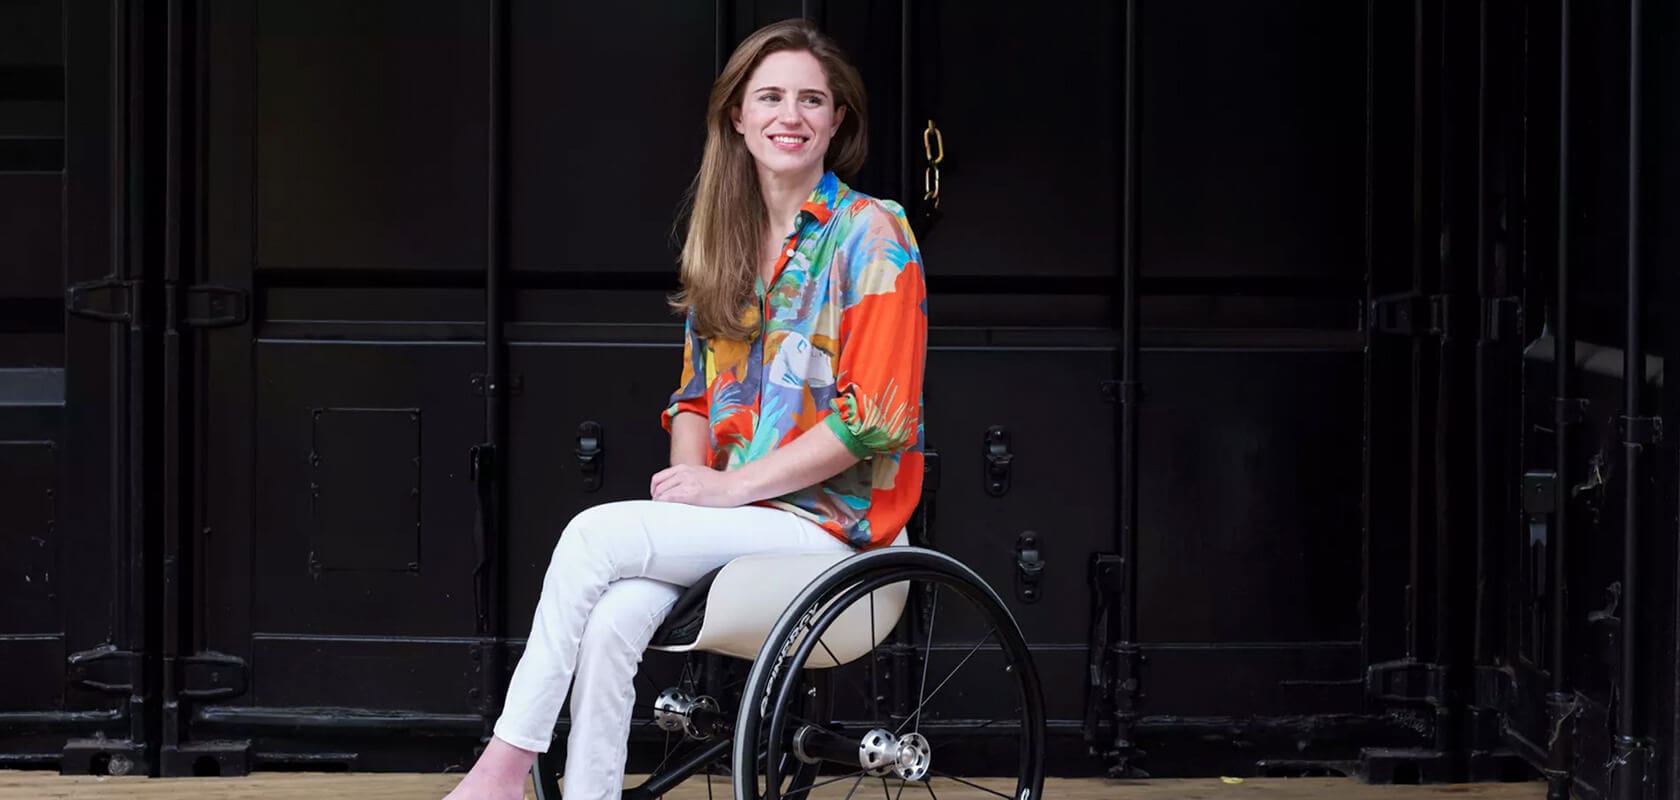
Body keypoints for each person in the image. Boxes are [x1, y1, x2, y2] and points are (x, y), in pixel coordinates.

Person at [444, 17, 927, 800]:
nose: (790, 116)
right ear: (736, 115)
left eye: (811, 100)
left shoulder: (872, 233)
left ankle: (501, 768)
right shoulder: (725, 246)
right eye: (769, 97)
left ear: (838, 119)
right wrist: (690, 494)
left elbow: (875, 418)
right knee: (612, 616)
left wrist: (726, 489)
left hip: (836, 529)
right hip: (744, 521)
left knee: (592, 535)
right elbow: (695, 399)